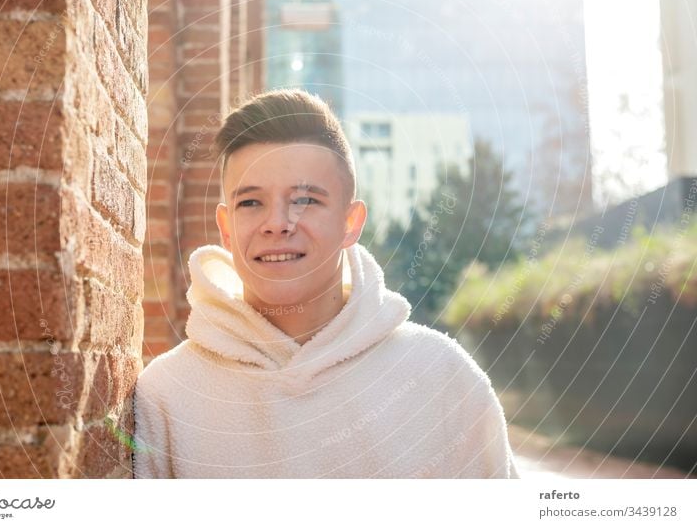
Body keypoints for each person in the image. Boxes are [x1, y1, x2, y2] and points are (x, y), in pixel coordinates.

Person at [132, 89, 520, 478]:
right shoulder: (167, 396)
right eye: (251, 203)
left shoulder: (441, 378)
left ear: (350, 223)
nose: (278, 222)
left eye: (305, 200)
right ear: (226, 228)